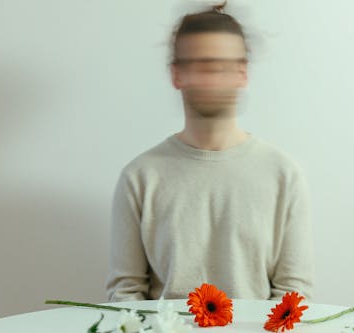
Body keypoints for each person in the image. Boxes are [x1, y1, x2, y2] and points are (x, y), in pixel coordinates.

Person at [106, 1, 314, 302]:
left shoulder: (284, 175)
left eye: (224, 66)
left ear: (243, 73)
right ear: (176, 75)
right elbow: (125, 292)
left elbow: (294, 296)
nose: (213, 78)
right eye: (200, 65)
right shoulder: (139, 177)